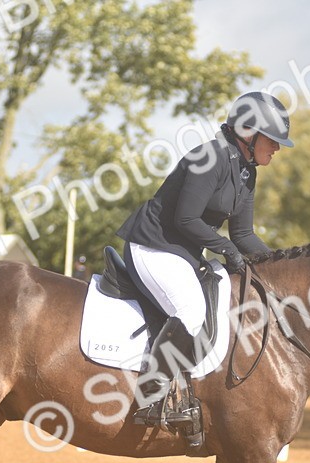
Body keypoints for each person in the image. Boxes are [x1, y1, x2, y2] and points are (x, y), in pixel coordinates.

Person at [116, 90, 293, 429]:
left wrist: (279, 269)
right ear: (248, 133)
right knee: (191, 311)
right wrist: (225, 250)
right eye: (272, 140)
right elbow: (186, 219)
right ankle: (150, 399)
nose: (277, 148)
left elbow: (243, 235)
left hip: (184, 253)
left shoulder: (246, 172)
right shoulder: (209, 157)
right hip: (154, 247)